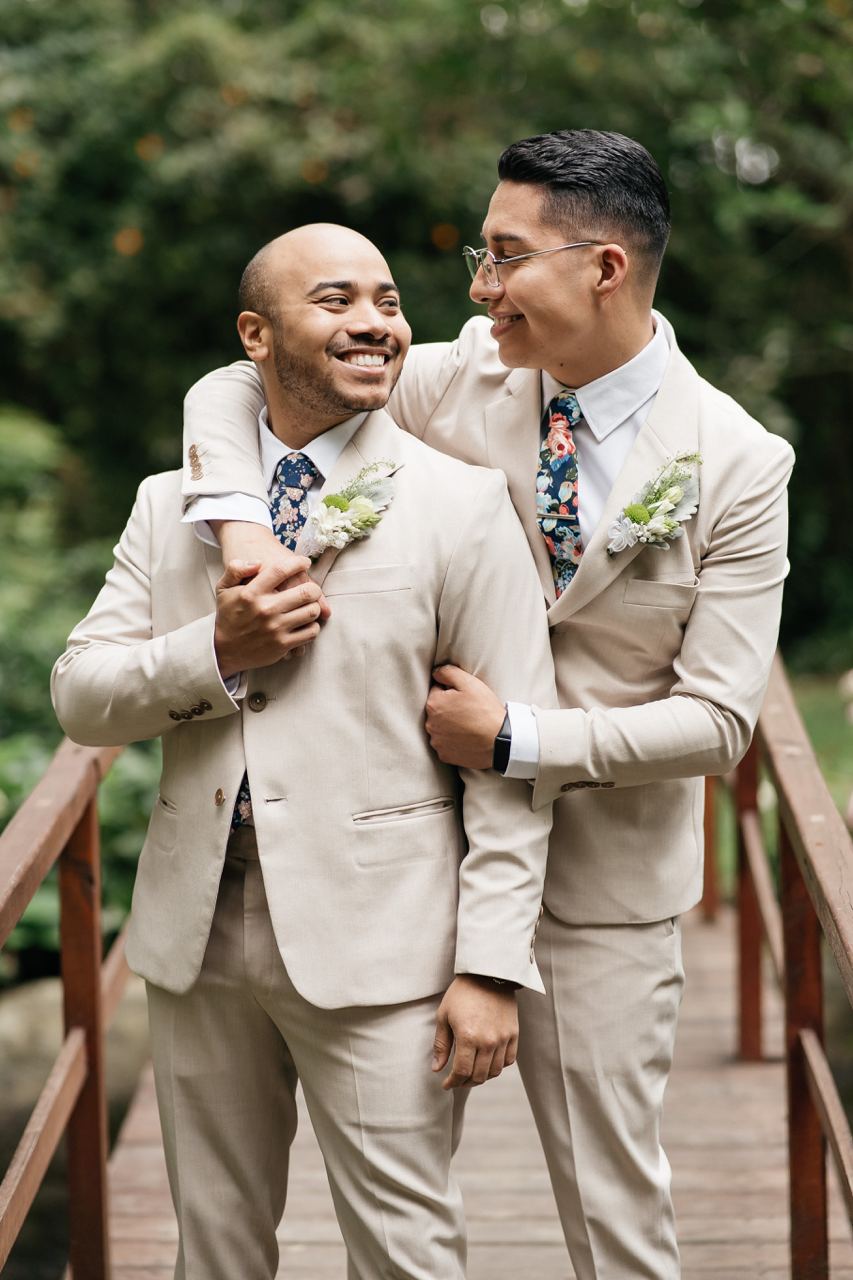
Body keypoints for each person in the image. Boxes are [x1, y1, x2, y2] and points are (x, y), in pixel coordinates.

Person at [178, 130, 795, 1279]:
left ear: (602, 268)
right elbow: (238, 379)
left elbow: (720, 721)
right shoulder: (458, 373)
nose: (478, 287)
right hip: (415, 870)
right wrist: (241, 521)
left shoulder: (738, 463)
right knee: (403, 1213)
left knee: (616, 1216)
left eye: (505, 256)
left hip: (601, 890)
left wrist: (514, 736)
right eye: (480, 254)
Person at [51, 224, 557, 1280]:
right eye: (336, 301)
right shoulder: (168, 505)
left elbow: (512, 765)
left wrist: (490, 965)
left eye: (387, 301)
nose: (375, 323)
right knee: (214, 1250)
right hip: (196, 934)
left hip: (386, 944)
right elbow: (82, 697)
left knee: (408, 1253)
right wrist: (214, 653)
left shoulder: (462, 504)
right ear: (257, 335)